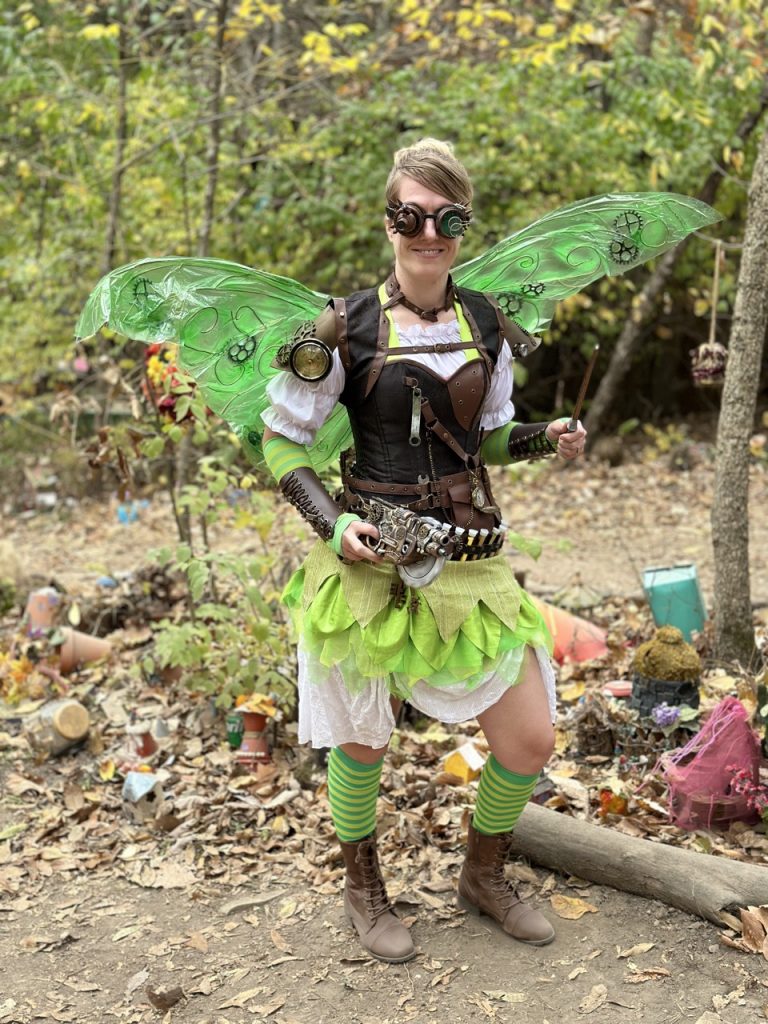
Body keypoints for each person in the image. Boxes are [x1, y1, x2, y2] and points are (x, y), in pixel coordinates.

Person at [261, 138, 586, 963]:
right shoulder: (344, 328)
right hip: (375, 560)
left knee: (528, 741)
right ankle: (362, 889)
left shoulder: (485, 320)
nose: (427, 233)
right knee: (364, 742)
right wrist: (334, 525)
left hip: (471, 561)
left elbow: (491, 437)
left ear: (463, 226)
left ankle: (482, 875)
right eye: (411, 216)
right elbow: (282, 442)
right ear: (389, 223)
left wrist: (545, 438)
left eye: (446, 218)